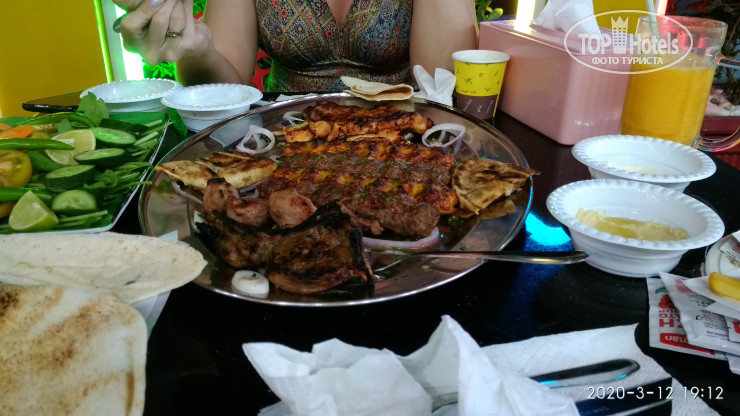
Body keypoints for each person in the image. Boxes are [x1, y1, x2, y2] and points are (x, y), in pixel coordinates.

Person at [114, 0, 478, 92]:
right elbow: (222, 89)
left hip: (403, 145)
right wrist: (198, 49)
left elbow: (442, 85)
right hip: (280, 147)